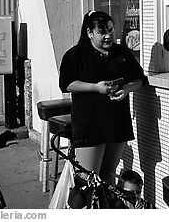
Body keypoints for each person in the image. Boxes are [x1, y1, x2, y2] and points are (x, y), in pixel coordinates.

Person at [59, 10, 148, 186]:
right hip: (89, 122)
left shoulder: (121, 53)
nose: (108, 36)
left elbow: (140, 79)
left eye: (111, 30)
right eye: (102, 32)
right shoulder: (75, 54)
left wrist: (126, 89)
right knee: (88, 178)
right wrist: (95, 87)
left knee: (108, 174)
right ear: (90, 33)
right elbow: (66, 84)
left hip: (117, 121)